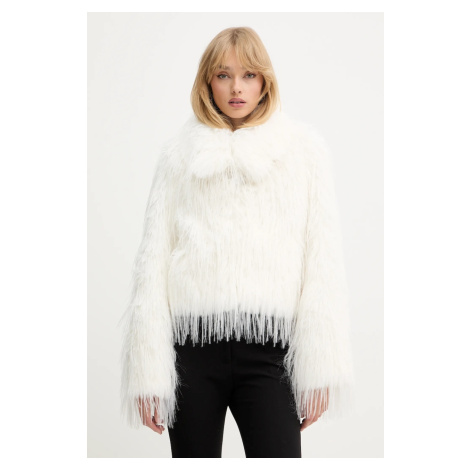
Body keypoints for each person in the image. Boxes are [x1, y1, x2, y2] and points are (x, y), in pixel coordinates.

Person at [119, 26, 355, 458]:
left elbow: (323, 260)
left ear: (265, 81)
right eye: (223, 75)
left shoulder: (302, 152)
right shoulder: (178, 157)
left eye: (249, 75)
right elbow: (151, 264)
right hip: (190, 351)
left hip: (271, 353)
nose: (236, 88)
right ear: (207, 82)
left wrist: (320, 367)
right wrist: (148, 372)